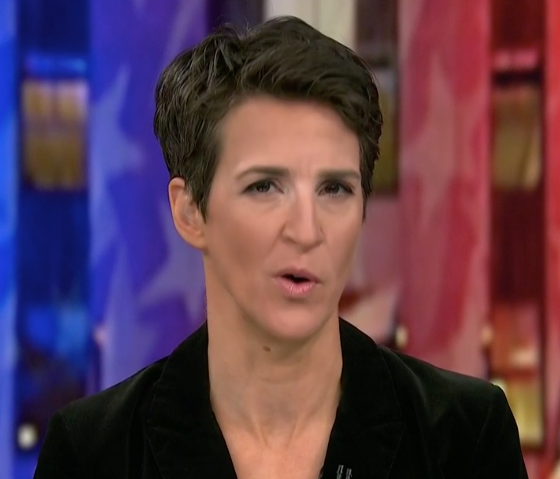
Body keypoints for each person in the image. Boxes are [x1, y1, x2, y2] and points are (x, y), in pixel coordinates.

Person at [34, 16, 528, 479]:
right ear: (190, 212)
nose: (307, 230)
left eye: (335, 189)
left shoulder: (464, 437)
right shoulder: (94, 453)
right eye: (265, 186)